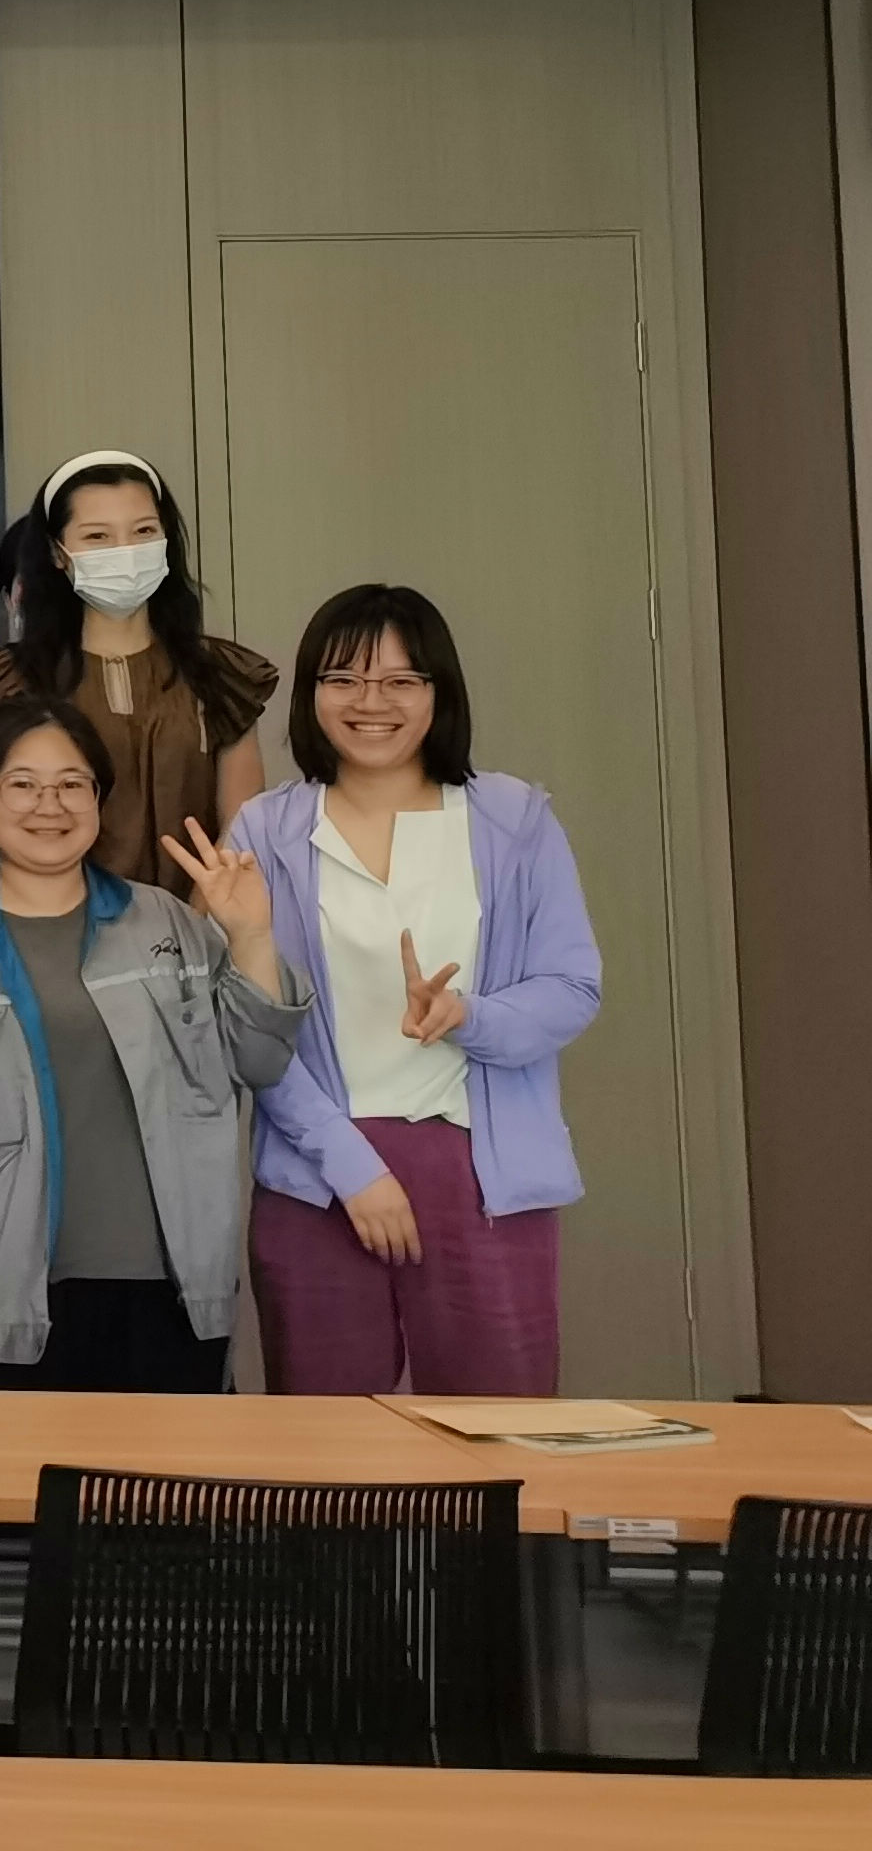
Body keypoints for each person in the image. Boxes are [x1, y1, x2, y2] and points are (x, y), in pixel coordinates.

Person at [232, 587, 602, 1398]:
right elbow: (250, 1029)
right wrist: (352, 1169)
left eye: (401, 681)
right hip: (317, 1170)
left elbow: (572, 986)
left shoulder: (513, 818)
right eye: (344, 680)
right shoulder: (265, 831)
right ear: (311, 693)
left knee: (499, 1434)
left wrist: (470, 1015)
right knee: (328, 1449)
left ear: (441, 692)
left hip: (483, 1171)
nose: (372, 703)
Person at [0, 698, 307, 1392]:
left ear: (99, 799)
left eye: (72, 784)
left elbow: (260, 1062)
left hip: (170, 1288)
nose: (49, 805)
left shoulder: (164, 920)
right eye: (22, 784)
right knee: (3, 1467)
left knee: (165, 1467)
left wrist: (253, 938)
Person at [0, 452, 276, 903]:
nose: (125, 551)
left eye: (143, 532)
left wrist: (198, 922)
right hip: (54, 923)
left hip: (202, 923)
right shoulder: (10, 682)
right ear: (58, 553)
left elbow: (240, 825)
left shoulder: (221, 675)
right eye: (98, 536)